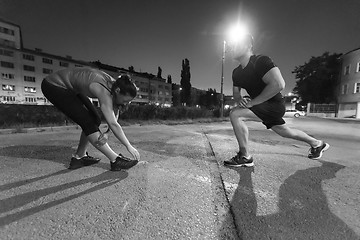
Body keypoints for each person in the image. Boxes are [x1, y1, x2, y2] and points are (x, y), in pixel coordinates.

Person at [224, 35, 329, 167]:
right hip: (261, 106)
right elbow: (236, 94)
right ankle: (317, 144)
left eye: (235, 43)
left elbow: (278, 84)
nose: (231, 47)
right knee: (285, 132)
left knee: (235, 115)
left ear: (248, 45)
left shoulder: (261, 61)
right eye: (231, 45)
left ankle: (244, 156)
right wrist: (241, 101)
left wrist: (252, 102)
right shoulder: (236, 73)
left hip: (274, 105)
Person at [41, 67, 140, 171]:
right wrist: (128, 146)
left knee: (95, 119)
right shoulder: (103, 90)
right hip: (53, 85)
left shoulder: (116, 85)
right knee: (88, 121)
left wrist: (107, 132)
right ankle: (115, 160)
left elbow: (114, 113)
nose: (126, 103)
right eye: (126, 100)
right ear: (118, 91)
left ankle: (79, 157)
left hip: (71, 88)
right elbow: (113, 123)